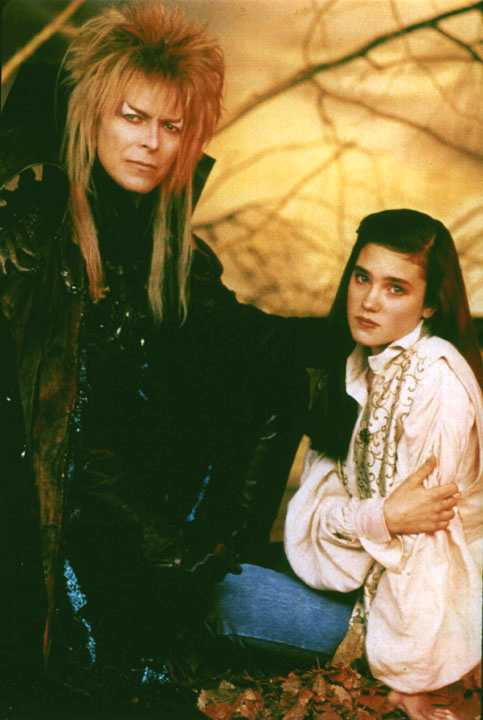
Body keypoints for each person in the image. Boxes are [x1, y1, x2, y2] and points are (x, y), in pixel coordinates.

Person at [0, 0, 314, 707]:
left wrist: (376, 338)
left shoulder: (171, 253)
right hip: (40, 544)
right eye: (132, 117)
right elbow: (54, 436)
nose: (150, 142)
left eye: (170, 127)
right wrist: (151, 544)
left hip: (134, 540)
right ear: (92, 116)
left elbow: (253, 347)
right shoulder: (31, 227)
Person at [214, 209, 482, 720]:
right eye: (362, 278)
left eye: (396, 288)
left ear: (430, 304)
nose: (369, 300)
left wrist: (410, 674)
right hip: (363, 584)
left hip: (411, 623)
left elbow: (433, 554)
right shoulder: (363, 364)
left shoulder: (435, 384)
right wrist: (379, 517)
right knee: (219, 566)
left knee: (219, 595)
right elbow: (336, 502)